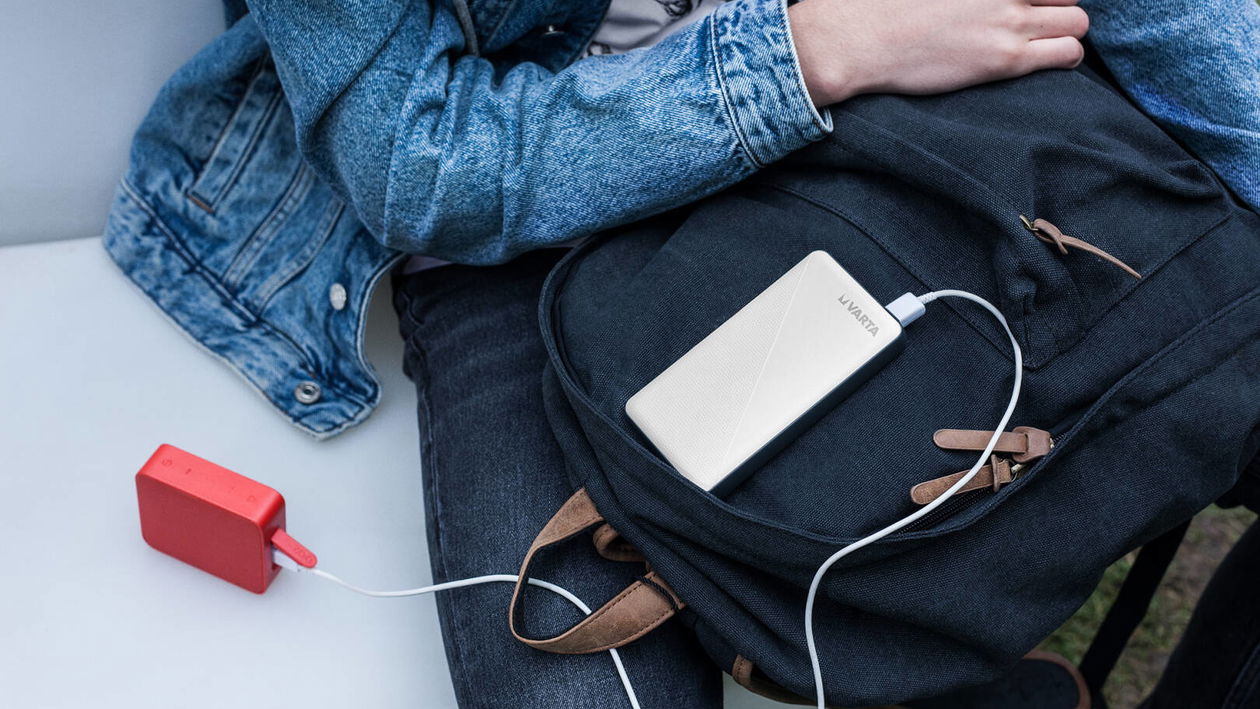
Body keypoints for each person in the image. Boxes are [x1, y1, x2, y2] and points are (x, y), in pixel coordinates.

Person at [106, 0, 1259, 705]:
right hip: (529, 229)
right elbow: (429, 168)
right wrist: (809, 49)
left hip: (871, 143)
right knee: (572, 674)